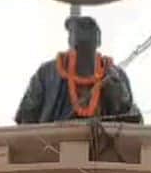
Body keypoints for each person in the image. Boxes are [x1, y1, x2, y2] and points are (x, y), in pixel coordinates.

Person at [14, 16, 143, 125]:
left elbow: (135, 122)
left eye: (88, 30)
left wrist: (116, 96)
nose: (82, 35)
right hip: (53, 148)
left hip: (106, 148)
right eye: (77, 31)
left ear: (98, 41)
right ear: (70, 41)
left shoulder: (115, 75)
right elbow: (25, 118)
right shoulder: (46, 73)